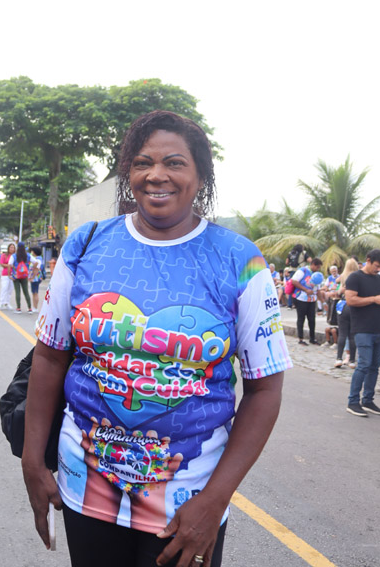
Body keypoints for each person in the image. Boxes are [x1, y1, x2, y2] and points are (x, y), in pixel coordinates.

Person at [22, 110, 292, 567]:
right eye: (142, 162)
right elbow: (49, 359)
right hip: (84, 484)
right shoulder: (85, 244)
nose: (156, 175)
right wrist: (32, 461)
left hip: (188, 504)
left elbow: (265, 389)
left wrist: (216, 500)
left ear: (200, 175)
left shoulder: (239, 260)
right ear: (128, 172)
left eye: (174, 162)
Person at [345, 249, 380, 417]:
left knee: (374, 367)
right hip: (362, 329)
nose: (378, 270)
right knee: (363, 364)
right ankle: (353, 401)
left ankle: (368, 400)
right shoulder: (355, 277)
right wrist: (374, 299)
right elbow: (350, 300)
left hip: (379, 328)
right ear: (368, 260)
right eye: (376, 266)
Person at [291, 257, 324, 345]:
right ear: (313, 265)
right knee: (301, 318)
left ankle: (312, 338)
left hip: (312, 299)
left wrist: (323, 302)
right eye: (317, 267)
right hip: (301, 298)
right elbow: (294, 281)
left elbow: (318, 289)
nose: (318, 269)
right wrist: (305, 290)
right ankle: (300, 338)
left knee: (312, 319)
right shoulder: (303, 271)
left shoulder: (317, 275)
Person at [333, 258, 359, 368]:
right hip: (355, 306)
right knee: (352, 335)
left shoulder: (343, 276)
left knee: (342, 333)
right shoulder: (359, 276)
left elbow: (338, 290)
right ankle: (352, 360)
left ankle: (339, 358)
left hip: (343, 305)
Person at [9, 241, 33, 313]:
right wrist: (30, 271)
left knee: (17, 291)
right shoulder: (28, 255)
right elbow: (36, 262)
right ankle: (29, 308)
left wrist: (10, 274)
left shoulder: (14, 256)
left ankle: (18, 308)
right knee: (26, 292)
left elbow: (9, 264)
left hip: (16, 275)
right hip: (25, 276)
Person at [0, 243, 15, 310]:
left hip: (13, 274)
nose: (12, 249)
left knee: (10, 289)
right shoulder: (4, 255)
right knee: (4, 288)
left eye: (13, 247)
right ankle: (1, 302)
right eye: (11, 247)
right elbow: (2, 263)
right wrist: (9, 266)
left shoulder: (14, 256)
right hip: (5, 274)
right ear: (8, 248)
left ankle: (7, 303)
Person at [29, 246, 43, 311]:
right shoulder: (39, 258)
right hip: (37, 277)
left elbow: (36, 269)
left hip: (35, 278)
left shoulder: (37, 259)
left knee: (35, 292)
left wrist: (32, 277)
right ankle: (34, 307)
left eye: (32, 251)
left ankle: (35, 307)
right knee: (34, 292)